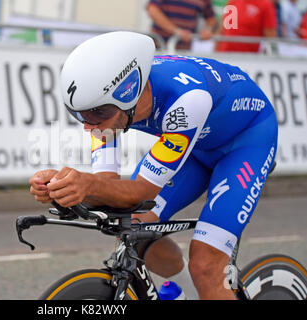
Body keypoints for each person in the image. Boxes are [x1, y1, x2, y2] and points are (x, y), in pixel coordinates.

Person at [29, 31, 278, 300]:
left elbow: (141, 192)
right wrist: (64, 187)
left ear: (129, 93)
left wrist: (87, 184)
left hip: (246, 143)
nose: (89, 125)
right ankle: (189, 293)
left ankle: (207, 286)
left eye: (97, 112)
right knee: (135, 227)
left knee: (206, 265)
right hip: (195, 145)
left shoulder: (186, 99)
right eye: (79, 114)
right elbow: (109, 187)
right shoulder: (110, 108)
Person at [146, 0, 217, 50]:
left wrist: (207, 29)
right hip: (159, 47)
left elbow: (211, 18)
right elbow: (153, 10)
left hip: (184, 51)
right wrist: (177, 31)